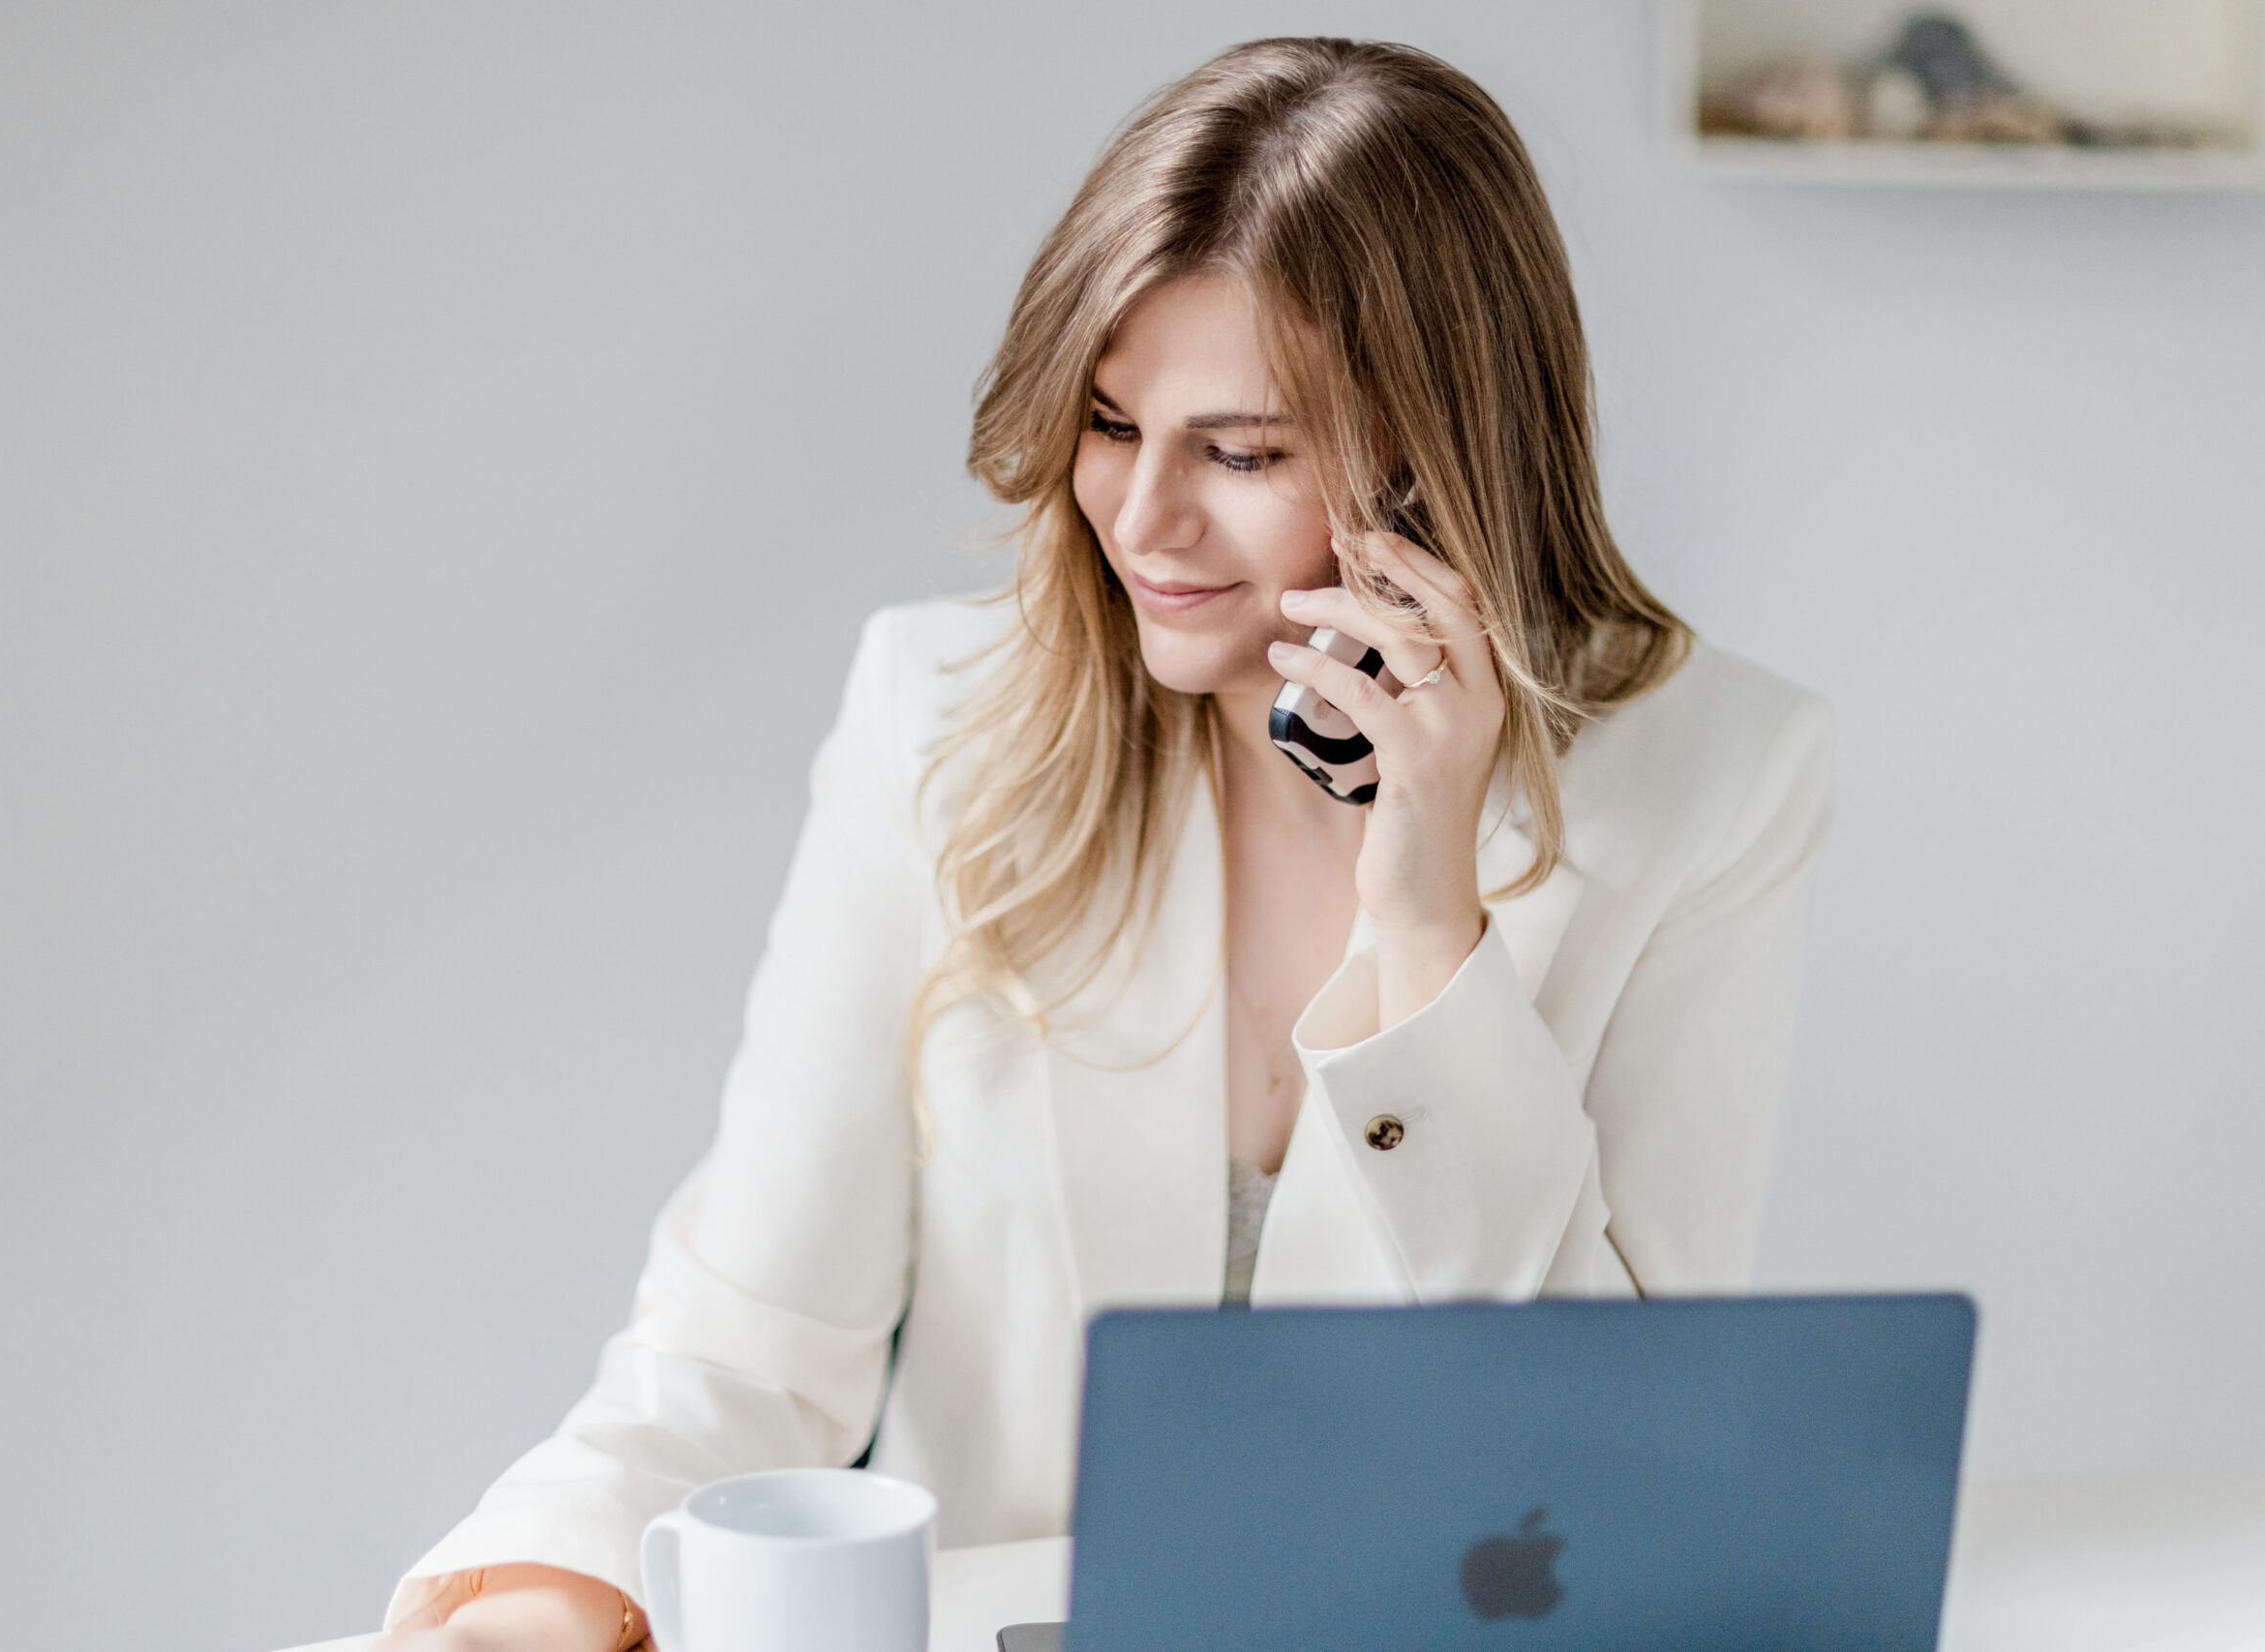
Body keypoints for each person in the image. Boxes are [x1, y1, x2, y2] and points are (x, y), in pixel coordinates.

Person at [378, 35, 1832, 1652]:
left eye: (1243, 451)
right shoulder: (937, 718)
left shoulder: (1724, 774)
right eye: (1107, 422)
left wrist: (1429, 926)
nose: (1140, 519)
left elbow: (1625, 1452)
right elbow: (744, 1345)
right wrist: (539, 1594)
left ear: (1439, 467)